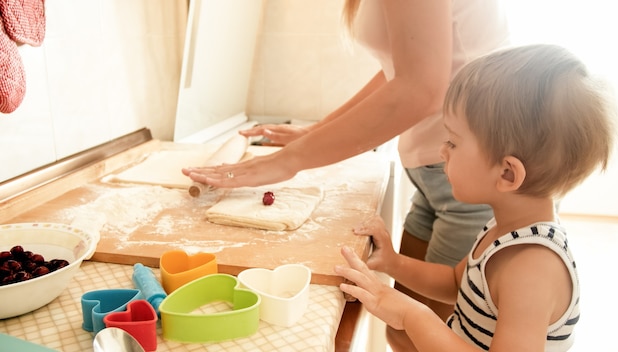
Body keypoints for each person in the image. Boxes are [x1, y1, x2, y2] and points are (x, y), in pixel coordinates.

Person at [183, 0, 510, 325]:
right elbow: (399, 70)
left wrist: (289, 161)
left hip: (477, 174)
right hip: (435, 174)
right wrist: (314, 133)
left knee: (435, 333)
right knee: (402, 332)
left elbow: (420, 88)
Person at [334, 43, 618, 352]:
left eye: (453, 142)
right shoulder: (504, 227)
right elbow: (456, 284)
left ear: (508, 174)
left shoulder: (533, 267)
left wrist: (411, 314)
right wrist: (394, 264)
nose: (443, 151)